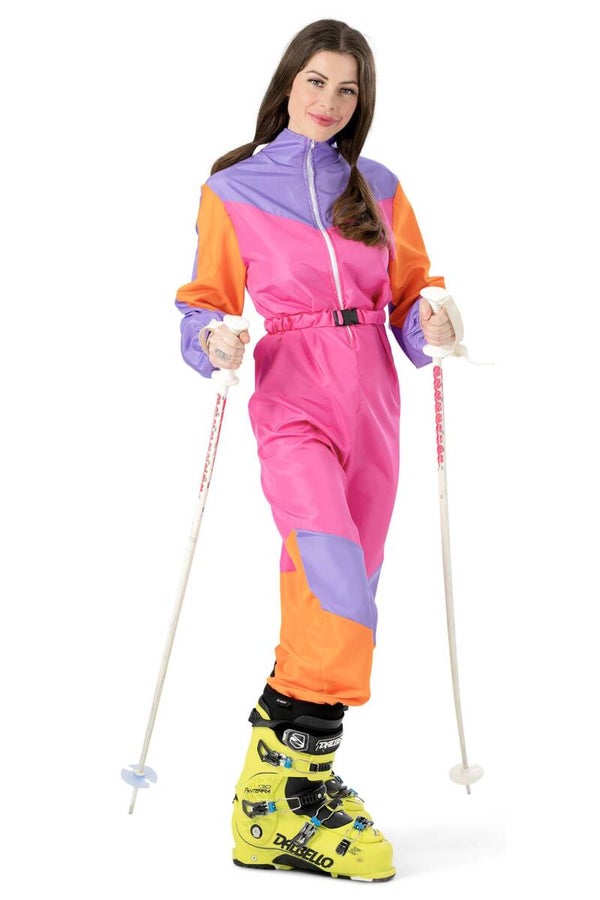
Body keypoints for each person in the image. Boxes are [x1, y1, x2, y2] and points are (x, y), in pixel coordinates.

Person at [175, 18, 459, 882]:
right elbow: (204, 299)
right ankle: (287, 796)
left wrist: (434, 320)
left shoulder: (379, 186)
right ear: (288, 82)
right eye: (316, 81)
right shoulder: (233, 188)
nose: (330, 101)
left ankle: (283, 793)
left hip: (373, 395)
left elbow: (411, 297)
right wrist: (212, 339)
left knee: (347, 586)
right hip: (293, 388)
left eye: (347, 89)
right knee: (333, 580)